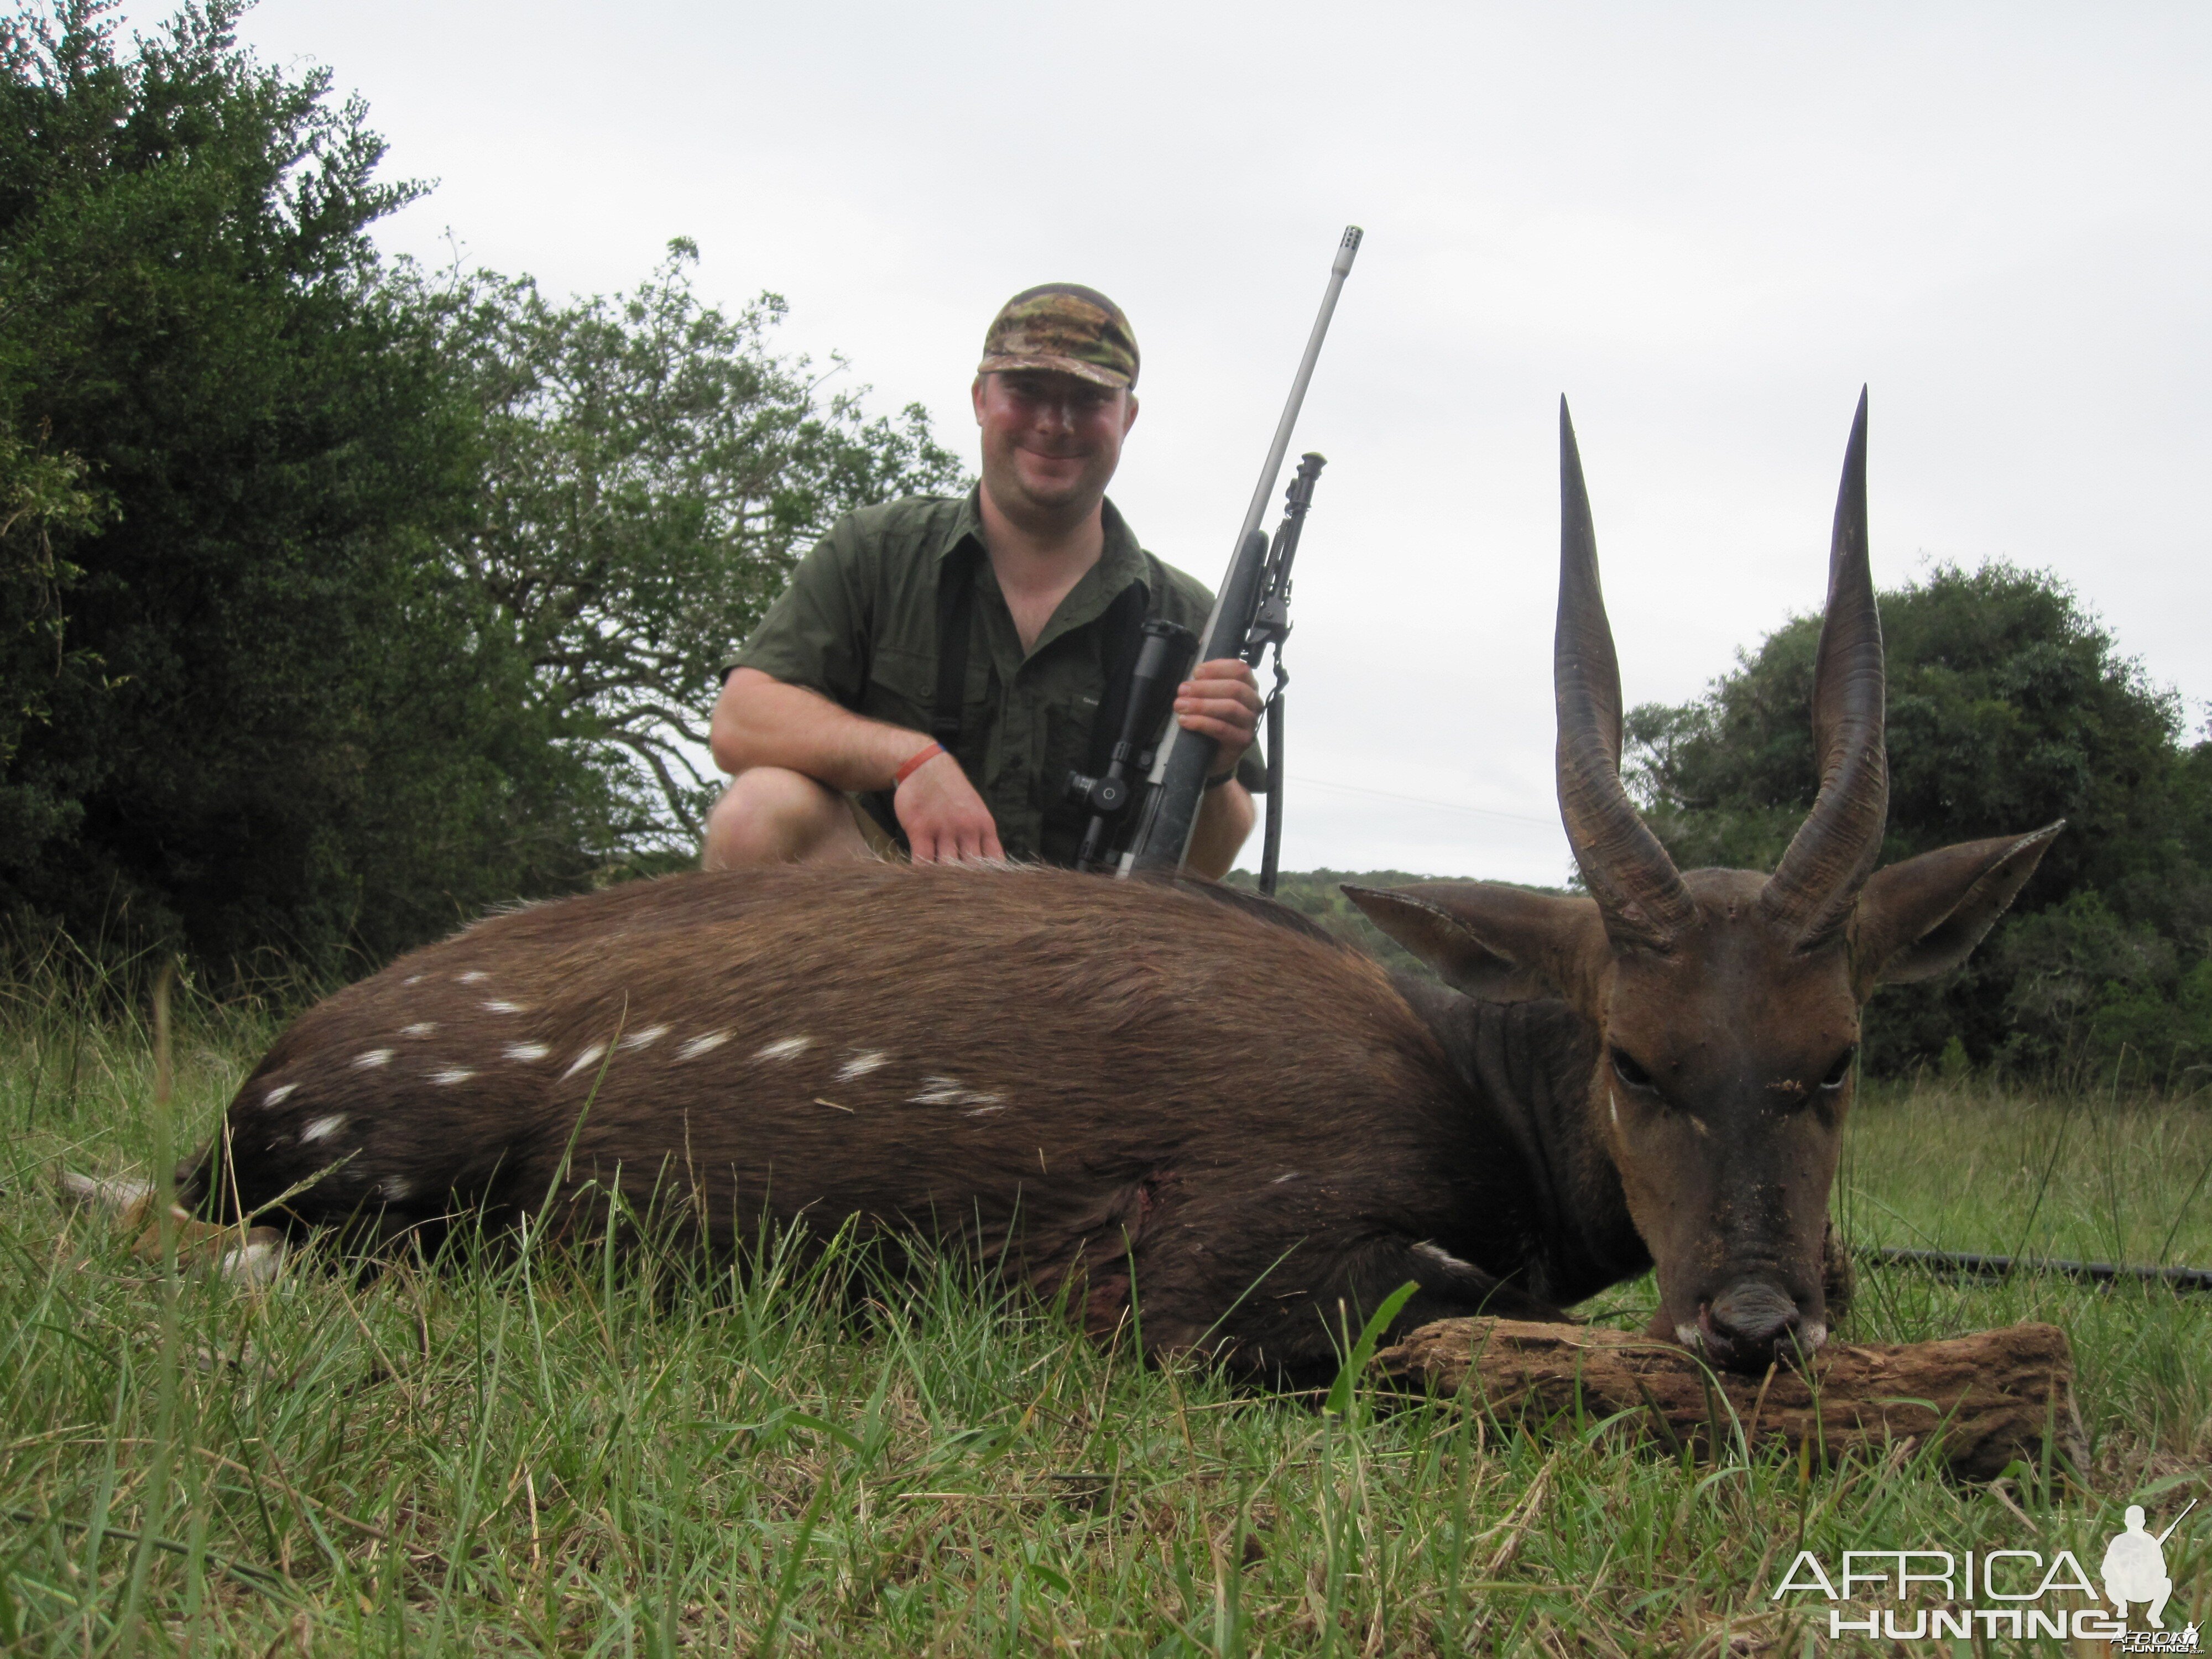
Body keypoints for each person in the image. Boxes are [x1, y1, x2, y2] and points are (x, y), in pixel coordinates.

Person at [703, 283, 1264, 877]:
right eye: (1026, 391)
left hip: (1090, 948)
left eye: (1089, 397)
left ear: (1127, 417)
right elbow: (740, 721)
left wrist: (1217, 771)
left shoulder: (1190, 614)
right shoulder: (874, 552)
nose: (1055, 423)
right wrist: (909, 759)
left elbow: (1200, 871)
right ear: (980, 399)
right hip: (881, 916)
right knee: (761, 810)